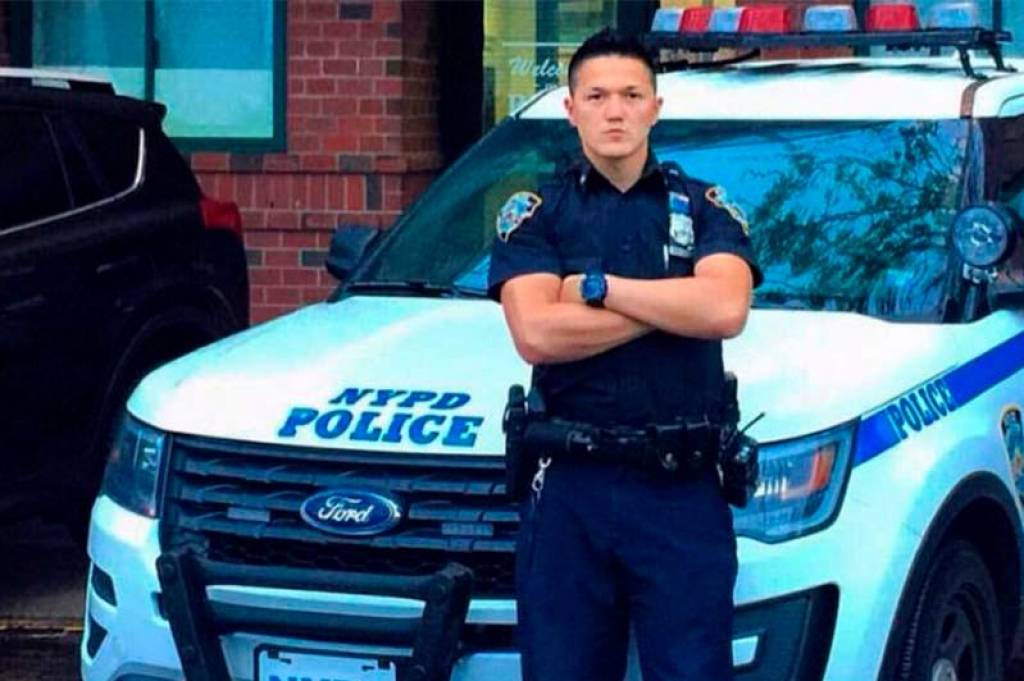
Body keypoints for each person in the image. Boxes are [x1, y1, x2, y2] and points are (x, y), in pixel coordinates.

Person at [487, 29, 762, 681]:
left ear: (655, 108)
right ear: (571, 109)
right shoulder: (536, 213)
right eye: (598, 96)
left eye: (632, 95)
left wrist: (597, 290)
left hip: (680, 488)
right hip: (568, 491)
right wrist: (675, 302)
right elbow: (538, 333)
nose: (615, 111)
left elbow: (725, 310)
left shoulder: (705, 207)